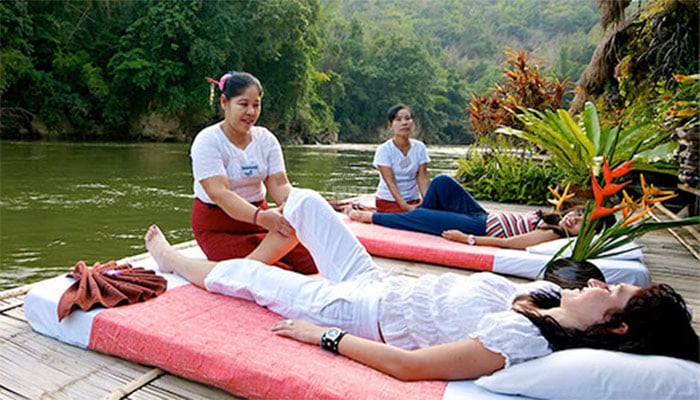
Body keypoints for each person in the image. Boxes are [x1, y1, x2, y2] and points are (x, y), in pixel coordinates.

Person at [145, 188, 698, 381]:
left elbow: (409, 368)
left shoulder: (525, 339)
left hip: (358, 311)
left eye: (613, 292)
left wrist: (321, 337)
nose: (600, 282)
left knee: (244, 276)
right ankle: (268, 260)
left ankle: (173, 260)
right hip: (381, 283)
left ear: (616, 324)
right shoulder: (554, 303)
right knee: (310, 203)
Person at [191, 71, 316, 274]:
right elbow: (219, 193)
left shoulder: (265, 139)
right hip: (220, 225)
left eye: (256, 105)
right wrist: (261, 217)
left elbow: (278, 183)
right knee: (276, 273)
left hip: (261, 221)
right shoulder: (208, 141)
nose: (251, 112)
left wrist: (292, 205)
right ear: (224, 102)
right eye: (243, 104)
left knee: (312, 263)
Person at [348, 174, 615, 250]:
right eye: (579, 213)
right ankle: (417, 220)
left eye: (580, 223)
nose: (573, 218)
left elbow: (507, 243)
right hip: (483, 215)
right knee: (442, 182)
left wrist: (467, 239)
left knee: (424, 217)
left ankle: (371, 217)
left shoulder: (553, 235)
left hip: (479, 227)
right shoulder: (556, 220)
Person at [373, 104, 430, 213]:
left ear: (412, 123)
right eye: (398, 120)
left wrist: (427, 202)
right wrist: (405, 207)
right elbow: (391, 182)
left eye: (407, 119)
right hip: (389, 202)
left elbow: (422, 178)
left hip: (413, 200)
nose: (404, 123)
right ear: (390, 125)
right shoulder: (384, 150)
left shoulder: (420, 147)